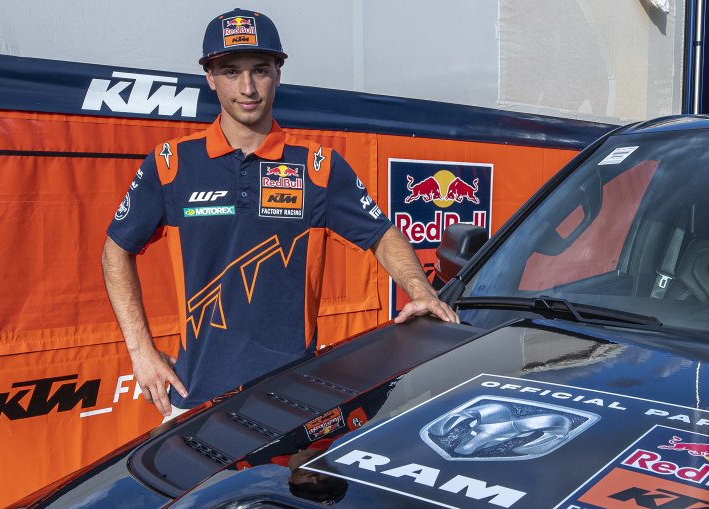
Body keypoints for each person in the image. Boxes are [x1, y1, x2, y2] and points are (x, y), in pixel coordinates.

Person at [101, 8, 458, 421]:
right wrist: (140, 351)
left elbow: (382, 234)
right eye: (231, 71)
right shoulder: (172, 163)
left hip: (293, 402)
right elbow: (115, 251)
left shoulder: (317, 167)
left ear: (278, 73)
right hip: (195, 398)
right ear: (210, 77)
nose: (248, 87)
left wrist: (421, 291)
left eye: (260, 70)